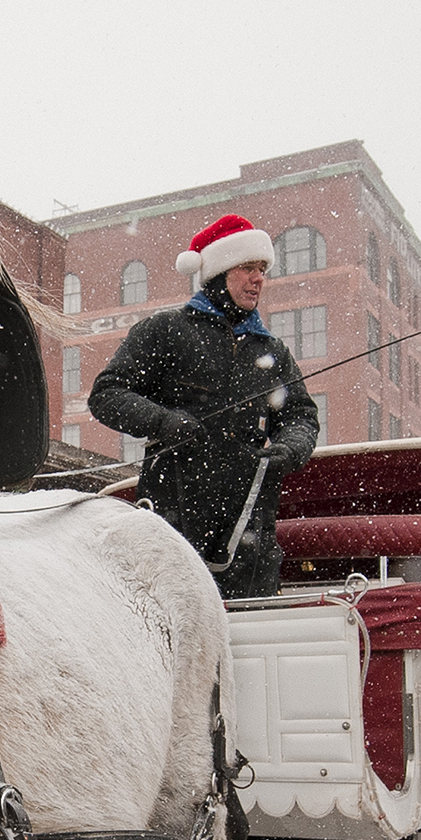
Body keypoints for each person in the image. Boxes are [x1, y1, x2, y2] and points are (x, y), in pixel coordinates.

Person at [89, 214, 321, 599]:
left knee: (252, 648)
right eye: (247, 267)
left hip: (251, 539)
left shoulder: (272, 352)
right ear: (218, 273)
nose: (258, 278)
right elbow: (107, 394)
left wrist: (290, 448)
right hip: (172, 529)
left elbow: (301, 416)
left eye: (262, 268)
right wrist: (164, 421)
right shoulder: (164, 331)